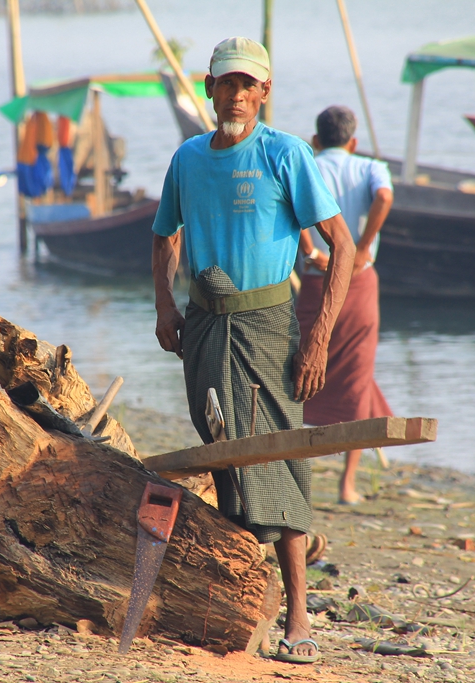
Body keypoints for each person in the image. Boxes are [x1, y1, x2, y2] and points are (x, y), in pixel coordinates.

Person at [151, 37, 355, 664]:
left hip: (269, 327)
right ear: (208, 89)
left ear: (264, 92)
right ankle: (243, 591)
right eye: (226, 84)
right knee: (224, 459)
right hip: (206, 330)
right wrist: (165, 304)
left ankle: (298, 617)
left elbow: (341, 247)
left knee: (280, 458)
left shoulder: (286, 154)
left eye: (249, 85)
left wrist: (318, 338)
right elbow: (165, 234)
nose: (236, 95)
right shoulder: (187, 159)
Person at [296, 105, 394, 505]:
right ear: (353, 142)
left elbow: (293, 207)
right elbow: (385, 197)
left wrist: (308, 250)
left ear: (317, 140)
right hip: (358, 282)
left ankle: (297, 474)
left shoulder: (306, 164)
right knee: (357, 375)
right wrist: (364, 246)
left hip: (318, 281)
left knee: (299, 376)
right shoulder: (370, 167)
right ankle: (347, 485)